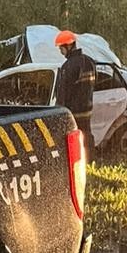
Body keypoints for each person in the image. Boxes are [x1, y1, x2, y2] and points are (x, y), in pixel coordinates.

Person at [54, 29, 96, 157]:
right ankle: (90, 159)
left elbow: (63, 92)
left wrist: (58, 110)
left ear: (68, 46)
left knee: (73, 139)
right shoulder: (89, 61)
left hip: (73, 111)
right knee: (86, 135)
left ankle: (78, 161)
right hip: (87, 109)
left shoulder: (68, 66)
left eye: (61, 48)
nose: (61, 52)